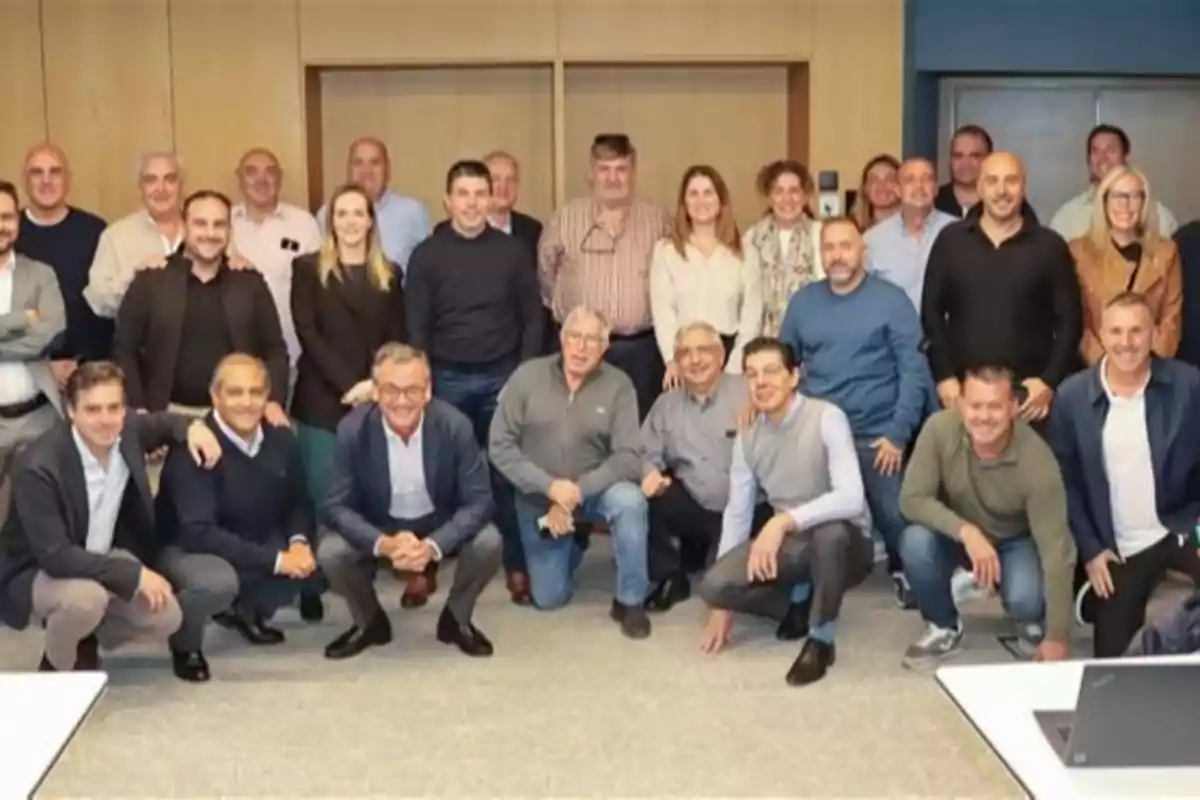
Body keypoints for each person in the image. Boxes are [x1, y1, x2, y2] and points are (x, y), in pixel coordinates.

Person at [0, 361, 222, 677]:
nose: (106, 419)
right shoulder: (38, 464)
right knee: (85, 600)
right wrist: (133, 574)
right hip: (39, 567)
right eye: (92, 410)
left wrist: (194, 427)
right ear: (71, 411)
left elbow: (165, 423)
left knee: (166, 616)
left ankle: (85, 633)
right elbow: (56, 556)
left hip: (102, 554)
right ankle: (55, 667)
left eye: (113, 407)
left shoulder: (128, 429)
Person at [697, 337, 874, 686]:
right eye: (752, 374)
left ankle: (821, 639)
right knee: (714, 587)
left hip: (848, 544)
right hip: (793, 544)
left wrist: (783, 522)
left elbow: (851, 498)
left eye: (771, 371)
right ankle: (801, 597)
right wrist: (722, 607)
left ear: (794, 377)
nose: (761, 382)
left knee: (830, 534)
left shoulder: (826, 417)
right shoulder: (748, 434)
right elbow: (737, 512)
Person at [406, 160, 542, 605]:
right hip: (444, 378)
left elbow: (532, 317)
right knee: (436, 474)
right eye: (462, 194)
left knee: (506, 474)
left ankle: (517, 564)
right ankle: (422, 565)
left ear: (491, 198)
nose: (471, 203)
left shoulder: (512, 252)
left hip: (502, 377)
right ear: (447, 201)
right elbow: (416, 323)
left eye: (480, 194)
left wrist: (522, 377)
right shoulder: (427, 254)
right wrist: (422, 379)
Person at [317, 343, 502, 660]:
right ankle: (369, 622)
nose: (402, 401)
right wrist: (384, 544)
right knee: (331, 551)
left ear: (428, 391)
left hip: (438, 522)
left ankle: (456, 619)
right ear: (376, 392)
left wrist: (432, 545)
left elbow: (480, 501)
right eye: (391, 390)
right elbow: (336, 506)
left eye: (412, 390)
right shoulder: (352, 430)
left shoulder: (455, 425)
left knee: (489, 541)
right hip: (378, 523)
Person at [780, 217, 928, 607]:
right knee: (806, 513)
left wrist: (898, 433)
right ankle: (810, 575)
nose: (837, 256)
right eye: (829, 248)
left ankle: (907, 569)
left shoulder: (891, 300)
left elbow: (914, 371)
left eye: (846, 246)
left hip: (877, 434)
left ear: (863, 251)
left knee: (897, 515)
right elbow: (784, 365)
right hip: (819, 435)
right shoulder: (803, 302)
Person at [1049, 293, 1200, 658]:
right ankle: (1093, 597)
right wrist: (1091, 549)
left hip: (1183, 525)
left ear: (1154, 334)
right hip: (1121, 546)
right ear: (1100, 334)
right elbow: (1066, 482)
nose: (1126, 342)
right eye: (1116, 331)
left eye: (1136, 331)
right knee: (1114, 662)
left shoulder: (1188, 384)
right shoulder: (1072, 396)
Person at [898, 366, 1077, 669]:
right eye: (976, 405)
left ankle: (1026, 616)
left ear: (1014, 408)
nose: (984, 416)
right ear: (960, 405)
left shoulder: (1037, 460)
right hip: (958, 537)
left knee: (1027, 600)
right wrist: (967, 532)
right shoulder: (938, 429)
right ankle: (943, 625)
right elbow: (911, 499)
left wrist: (1058, 636)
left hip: (1015, 540)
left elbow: (1057, 550)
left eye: (995, 406)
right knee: (915, 541)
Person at [489, 306, 651, 639]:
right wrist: (550, 489)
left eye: (592, 339)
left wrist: (574, 492)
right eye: (575, 336)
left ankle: (630, 600)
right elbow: (500, 446)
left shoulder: (619, 385)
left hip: (596, 491)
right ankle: (576, 536)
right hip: (538, 497)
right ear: (562, 339)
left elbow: (628, 457)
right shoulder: (526, 376)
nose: (581, 347)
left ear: (605, 347)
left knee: (631, 502)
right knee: (549, 598)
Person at [157, 355, 323, 669]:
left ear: (267, 396)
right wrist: (277, 560)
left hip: (250, 535)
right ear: (215, 395)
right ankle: (185, 641)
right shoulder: (194, 447)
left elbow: (298, 502)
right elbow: (197, 531)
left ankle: (246, 611)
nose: (246, 402)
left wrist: (299, 543)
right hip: (188, 548)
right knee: (217, 583)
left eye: (255, 392)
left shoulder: (281, 439)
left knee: (317, 557)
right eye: (235, 392)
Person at [921, 152, 1082, 426]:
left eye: (1011, 181)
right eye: (992, 181)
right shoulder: (951, 241)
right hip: (964, 396)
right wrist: (944, 376)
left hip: (1028, 401)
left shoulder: (1050, 247)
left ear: (1024, 187)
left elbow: (1071, 321)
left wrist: (1048, 382)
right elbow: (931, 313)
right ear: (980, 187)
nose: (1002, 190)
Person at [290, 183, 406, 560]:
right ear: (331, 222)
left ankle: (362, 566)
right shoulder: (307, 269)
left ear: (371, 221)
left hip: (374, 397)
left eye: (359, 213)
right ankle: (317, 572)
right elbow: (308, 332)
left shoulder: (390, 273)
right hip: (321, 399)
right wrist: (350, 385)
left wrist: (374, 384)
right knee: (321, 491)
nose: (350, 221)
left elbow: (396, 337)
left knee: (366, 491)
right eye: (342, 214)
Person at [111, 190, 289, 424]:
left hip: (237, 418)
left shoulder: (250, 283)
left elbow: (275, 350)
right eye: (200, 224)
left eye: (219, 225)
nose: (210, 233)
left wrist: (272, 401)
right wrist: (139, 410)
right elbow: (124, 349)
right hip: (165, 418)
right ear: (184, 227)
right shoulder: (151, 280)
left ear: (229, 231)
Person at [538, 133, 672, 419]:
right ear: (591, 173)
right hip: (581, 350)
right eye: (604, 169)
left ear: (633, 173)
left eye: (621, 169)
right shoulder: (565, 218)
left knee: (636, 428)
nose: (613, 178)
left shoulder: (658, 220)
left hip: (640, 353)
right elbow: (546, 279)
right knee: (581, 429)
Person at [641, 322, 759, 611]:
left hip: (747, 509)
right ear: (676, 362)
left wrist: (759, 411)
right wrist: (649, 473)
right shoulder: (666, 404)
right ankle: (670, 575)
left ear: (721, 356)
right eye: (685, 353)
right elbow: (641, 453)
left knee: (720, 586)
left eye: (703, 350)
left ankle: (706, 553)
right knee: (643, 494)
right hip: (694, 505)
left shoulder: (751, 392)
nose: (694, 360)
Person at [649, 164, 762, 382]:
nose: (701, 201)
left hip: (729, 354)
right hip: (683, 357)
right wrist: (672, 360)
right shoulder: (666, 251)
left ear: (721, 201)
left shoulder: (745, 252)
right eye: (693, 194)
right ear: (684, 203)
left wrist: (734, 366)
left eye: (708, 193)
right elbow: (662, 312)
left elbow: (752, 316)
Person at [0, 180, 66, 524]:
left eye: (7, 217)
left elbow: (49, 334)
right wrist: (20, 319)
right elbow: (32, 332)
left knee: (37, 521)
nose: (1, 225)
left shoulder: (41, 275)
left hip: (38, 418)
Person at [1068, 165, 1182, 365]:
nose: (1125, 204)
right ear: (1103, 202)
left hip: (1153, 367)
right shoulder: (1078, 253)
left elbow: (1171, 320)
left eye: (1134, 196)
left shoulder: (1166, 253)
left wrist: (1147, 365)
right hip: (1096, 368)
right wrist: (1108, 366)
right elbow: (1077, 322)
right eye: (1116, 196)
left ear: (1144, 202)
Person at [229, 147, 323, 382]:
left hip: (291, 356)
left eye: (270, 172)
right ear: (239, 178)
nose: (261, 179)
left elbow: (320, 292)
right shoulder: (223, 222)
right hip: (232, 359)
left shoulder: (303, 223)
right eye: (251, 172)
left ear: (279, 178)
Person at [16, 143, 110, 377]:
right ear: (24, 180)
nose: (46, 180)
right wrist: (42, 365)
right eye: (37, 172)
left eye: (55, 172)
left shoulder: (95, 231)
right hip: (21, 371)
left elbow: (106, 309)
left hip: (87, 370)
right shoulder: (8, 233)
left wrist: (81, 362)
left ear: (68, 179)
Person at [84, 151, 186, 319]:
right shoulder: (116, 236)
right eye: (150, 180)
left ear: (181, 185)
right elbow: (97, 301)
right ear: (140, 187)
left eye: (170, 179)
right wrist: (134, 277)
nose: (161, 188)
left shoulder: (206, 229)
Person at [317, 137, 431, 278]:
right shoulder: (326, 213)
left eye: (375, 162)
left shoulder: (413, 212)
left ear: (387, 169)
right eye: (358, 163)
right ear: (348, 169)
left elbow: (429, 269)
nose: (366, 170)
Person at [1049, 124, 1177, 242]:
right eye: (1095, 151)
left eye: (1110, 150)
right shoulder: (1067, 217)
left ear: (1125, 156)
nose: (1102, 158)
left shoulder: (1159, 216)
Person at [742, 160, 824, 337]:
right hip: (764, 340)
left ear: (805, 196)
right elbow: (748, 297)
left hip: (811, 336)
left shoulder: (820, 234)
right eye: (779, 191)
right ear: (768, 197)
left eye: (794, 191)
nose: (787, 199)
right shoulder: (753, 238)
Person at [864, 157, 957, 312]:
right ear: (898, 190)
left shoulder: (959, 232)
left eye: (926, 179)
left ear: (936, 189)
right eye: (910, 180)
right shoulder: (873, 240)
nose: (919, 186)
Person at [849, 154, 900, 232]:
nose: (882, 185)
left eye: (890, 179)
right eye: (874, 180)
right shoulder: (850, 228)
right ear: (865, 188)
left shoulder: (916, 227)